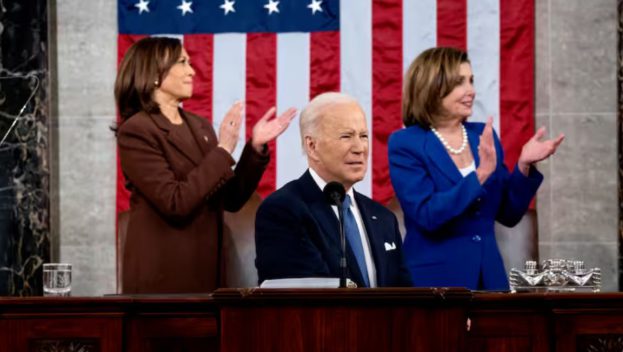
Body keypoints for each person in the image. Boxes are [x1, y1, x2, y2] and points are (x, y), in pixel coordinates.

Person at [115, 37, 296, 293]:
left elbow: (230, 199)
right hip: (163, 278)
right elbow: (175, 202)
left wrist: (254, 148)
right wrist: (223, 149)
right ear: (155, 73)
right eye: (182, 62)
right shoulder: (137, 131)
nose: (192, 70)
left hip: (208, 275)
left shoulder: (199, 126)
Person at [388, 47, 564, 290]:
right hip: (433, 284)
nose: (471, 90)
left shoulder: (482, 135)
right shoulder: (406, 143)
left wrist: (524, 165)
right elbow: (428, 215)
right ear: (433, 86)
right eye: (460, 82)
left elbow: (509, 214)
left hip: (489, 279)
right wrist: (480, 175)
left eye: (471, 81)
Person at [255, 92, 411, 287]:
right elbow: (300, 301)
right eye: (346, 136)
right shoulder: (283, 211)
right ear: (312, 146)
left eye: (363, 136)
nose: (359, 148)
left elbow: (405, 298)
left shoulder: (383, 218)